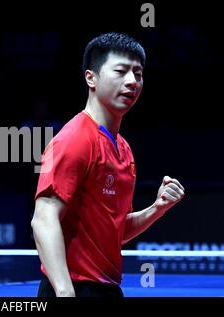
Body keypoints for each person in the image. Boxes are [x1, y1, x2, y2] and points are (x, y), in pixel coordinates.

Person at [31, 32, 185, 297]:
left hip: (107, 289)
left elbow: (117, 230)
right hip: (72, 288)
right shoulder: (74, 138)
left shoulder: (123, 149)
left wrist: (157, 209)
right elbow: (43, 219)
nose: (132, 81)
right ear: (91, 78)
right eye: (121, 71)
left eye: (138, 73)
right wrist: (65, 291)